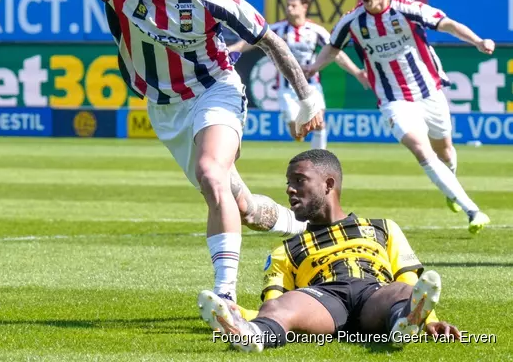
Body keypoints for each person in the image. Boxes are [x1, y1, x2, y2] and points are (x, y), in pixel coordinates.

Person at [0, 0, 324, 304]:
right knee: (242, 207)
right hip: (164, 107)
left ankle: (225, 296)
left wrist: (307, 99)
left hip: (215, 89)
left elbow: (270, 40)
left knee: (211, 172)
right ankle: (304, 228)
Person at [198, 149, 462, 352]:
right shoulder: (286, 247)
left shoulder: (383, 228)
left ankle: (403, 324)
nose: (289, 189)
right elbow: (272, 302)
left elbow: (410, 282)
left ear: (328, 184)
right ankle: (252, 333)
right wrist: (237, 313)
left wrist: (430, 320)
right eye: (289, 182)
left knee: (402, 292)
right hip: (323, 299)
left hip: (374, 294)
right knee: (283, 305)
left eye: (299, 180)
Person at [305, 0, 492, 234]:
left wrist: (478, 41)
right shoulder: (352, 21)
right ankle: (472, 210)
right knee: (421, 148)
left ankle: (449, 185)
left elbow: (448, 23)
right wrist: (313, 67)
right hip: (393, 99)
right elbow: (332, 47)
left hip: (429, 91)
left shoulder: (407, 8)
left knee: (446, 151)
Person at [227, 0, 369, 149]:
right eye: (287, 6)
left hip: (311, 86)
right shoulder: (277, 29)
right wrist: (232, 49)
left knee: (319, 123)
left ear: (305, 7)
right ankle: (300, 134)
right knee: (297, 131)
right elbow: (249, 41)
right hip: (286, 89)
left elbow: (336, 53)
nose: (289, 9)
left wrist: (357, 72)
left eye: (294, 5)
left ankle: (319, 161)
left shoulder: (315, 30)